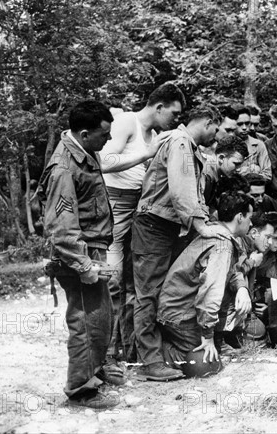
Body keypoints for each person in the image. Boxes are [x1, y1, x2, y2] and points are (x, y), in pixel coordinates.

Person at [131, 105, 221, 381]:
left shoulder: (186, 144)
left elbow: (193, 193)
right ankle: (150, 362)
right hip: (154, 225)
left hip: (166, 226)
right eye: (216, 128)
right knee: (147, 293)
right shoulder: (181, 142)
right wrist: (200, 226)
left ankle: (159, 354)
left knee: (158, 290)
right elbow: (181, 190)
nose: (216, 134)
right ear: (208, 121)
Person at [38, 101, 118, 409]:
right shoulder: (64, 168)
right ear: (84, 134)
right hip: (77, 255)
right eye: (104, 135)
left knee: (99, 317)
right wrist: (84, 264)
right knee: (84, 322)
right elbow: (61, 228)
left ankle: (94, 373)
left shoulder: (85, 153)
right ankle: (80, 388)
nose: (108, 141)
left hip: (92, 248)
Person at [100, 83, 184, 364]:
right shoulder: (127, 121)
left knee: (131, 286)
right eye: (173, 113)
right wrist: (147, 155)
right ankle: (106, 355)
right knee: (111, 281)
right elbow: (104, 160)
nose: (175, 119)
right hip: (113, 207)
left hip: (139, 210)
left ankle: (127, 351)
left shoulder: (156, 134)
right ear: (159, 107)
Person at [157, 192, 254, 366]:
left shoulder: (216, 233)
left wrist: (241, 287)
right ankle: (157, 354)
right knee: (203, 363)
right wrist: (207, 336)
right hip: (180, 315)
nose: (251, 223)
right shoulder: (222, 245)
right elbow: (211, 291)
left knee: (213, 357)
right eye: (249, 217)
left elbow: (232, 272)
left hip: (182, 311)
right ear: (240, 217)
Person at [203, 135, 249, 211]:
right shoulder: (206, 174)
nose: (238, 169)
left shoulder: (213, 171)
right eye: (236, 164)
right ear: (221, 158)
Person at [234, 104, 272, 181]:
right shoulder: (225, 144)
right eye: (240, 124)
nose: (244, 128)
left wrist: (250, 172)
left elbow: (268, 175)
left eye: (247, 123)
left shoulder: (258, 145)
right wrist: (256, 169)